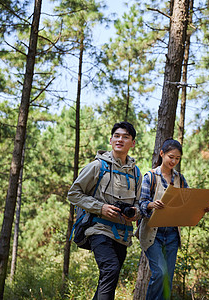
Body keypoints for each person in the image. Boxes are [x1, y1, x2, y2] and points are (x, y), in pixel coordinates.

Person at [68, 121, 141, 300]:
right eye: (116, 136)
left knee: (109, 278)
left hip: (122, 235)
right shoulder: (98, 166)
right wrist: (100, 207)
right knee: (111, 270)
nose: (120, 140)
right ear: (110, 140)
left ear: (132, 143)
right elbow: (73, 194)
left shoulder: (136, 173)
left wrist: (134, 213)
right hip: (98, 229)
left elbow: (139, 204)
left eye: (125, 137)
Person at [138, 138, 209, 300]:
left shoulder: (180, 179)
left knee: (167, 280)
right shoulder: (150, 177)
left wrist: (202, 208)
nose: (174, 161)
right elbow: (141, 205)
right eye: (171, 157)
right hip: (153, 234)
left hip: (172, 234)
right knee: (160, 272)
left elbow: (187, 203)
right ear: (162, 154)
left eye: (177, 159)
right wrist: (151, 205)